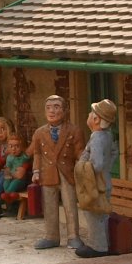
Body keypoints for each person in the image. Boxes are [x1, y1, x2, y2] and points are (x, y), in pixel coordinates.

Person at [27, 94, 85, 249]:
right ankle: (51, 236)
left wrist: (83, 166)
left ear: (65, 111)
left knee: (70, 205)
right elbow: (37, 153)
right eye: (48, 108)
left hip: (67, 172)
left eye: (56, 107)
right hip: (48, 173)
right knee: (49, 205)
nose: (51, 111)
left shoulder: (74, 130)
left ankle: (73, 236)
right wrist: (36, 171)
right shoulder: (39, 133)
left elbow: (79, 152)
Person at [76, 99, 118, 258]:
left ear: (96, 119)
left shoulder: (97, 137)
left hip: (95, 183)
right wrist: (108, 167)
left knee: (94, 214)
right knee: (101, 214)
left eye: (91, 113)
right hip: (104, 181)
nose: (88, 115)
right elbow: (114, 152)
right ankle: (103, 244)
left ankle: (97, 247)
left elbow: (97, 164)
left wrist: (83, 167)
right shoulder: (107, 135)